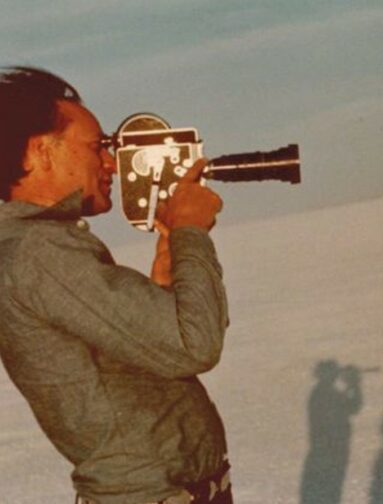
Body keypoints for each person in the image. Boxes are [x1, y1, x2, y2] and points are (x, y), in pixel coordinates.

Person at [0, 67, 232, 503]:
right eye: (96, 147)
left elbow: (142, 353)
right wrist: (190, 232)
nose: (111, 163)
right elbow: (194, 344)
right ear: (39, 153)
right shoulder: (39, 253)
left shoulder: (39, 246)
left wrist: (167, 271)